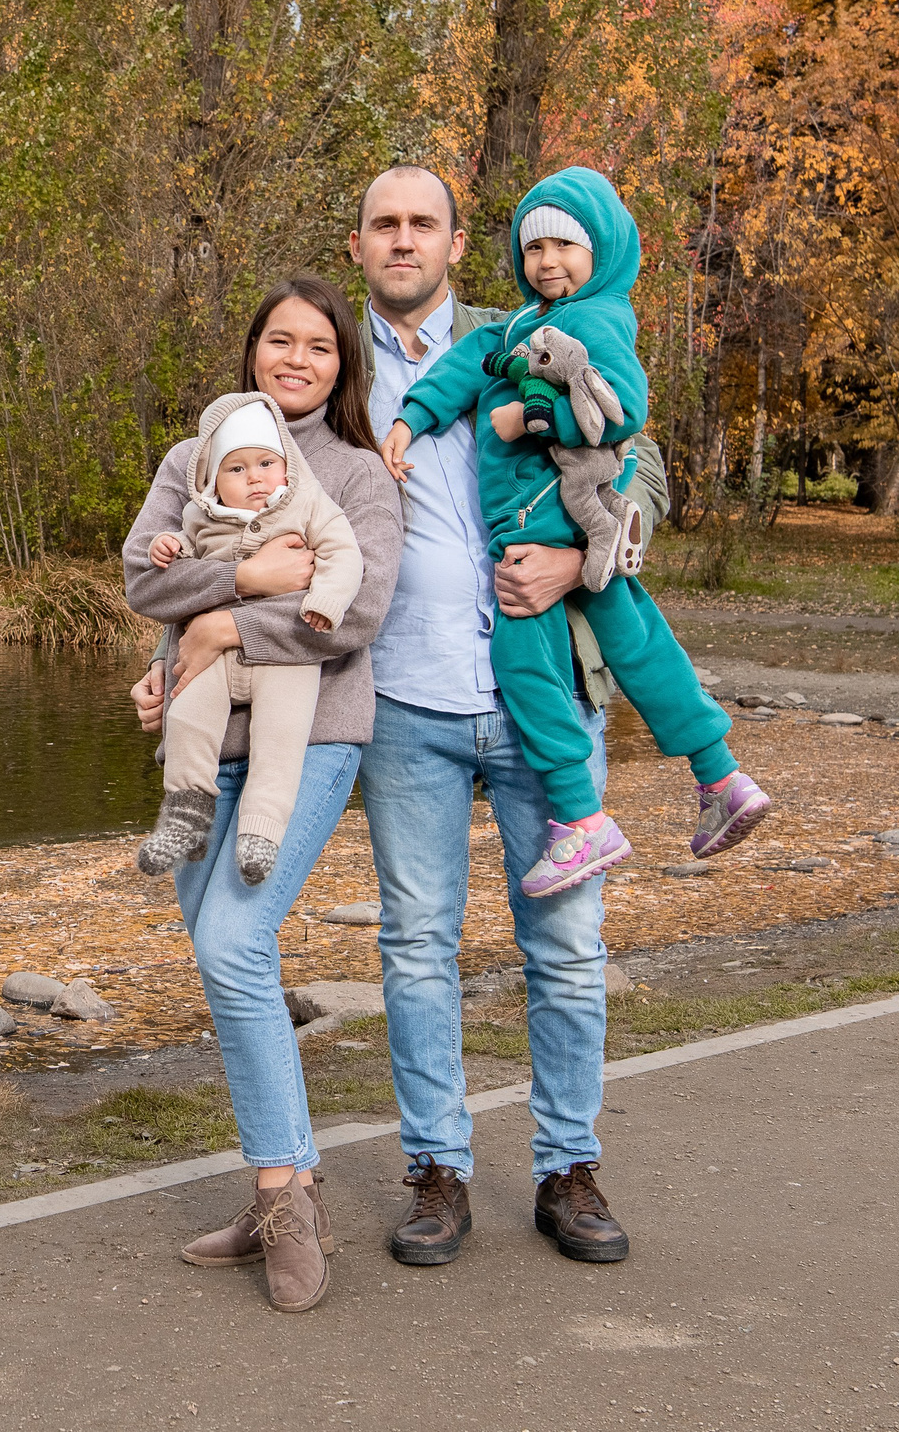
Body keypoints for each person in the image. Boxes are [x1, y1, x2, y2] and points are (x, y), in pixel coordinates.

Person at [133, 166, 671, 1271]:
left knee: (568, 943)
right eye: (384, 224)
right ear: (359, 242)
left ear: (457, 243)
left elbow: (641, 461)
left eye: (424, 223)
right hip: (406, 705)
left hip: (543, 687)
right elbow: (239, 516)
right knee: (417, 944)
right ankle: (437, 1171)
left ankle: (568, 1168)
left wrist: (585, 558)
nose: (403, 240)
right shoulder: (330, 374)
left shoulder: (527, 331)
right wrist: (171, 653)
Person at [122, 275, 402, 1314]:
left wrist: (215, 628)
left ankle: (286, 1200)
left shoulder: (358, 474)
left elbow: (355, 613)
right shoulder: (191, 457)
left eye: (319, 346)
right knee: (222, 953)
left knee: (235, 945)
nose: (297, 359)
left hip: (311, 739)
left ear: (342, 365)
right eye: (280, 341)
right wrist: (242, 584)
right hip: (204, 744)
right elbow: (142, 578)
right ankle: (286, 1181)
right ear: (252, 352)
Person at [380, 168, 770, 896]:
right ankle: (720, 774)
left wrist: (527, 422)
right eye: (534, 248)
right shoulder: (517, 324)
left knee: (524, 662)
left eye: (564, 245)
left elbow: (625, 414)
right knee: (640, 641)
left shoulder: (591, 319)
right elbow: (466, 366)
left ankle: (583, 820)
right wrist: (410, 419)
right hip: (525, 557)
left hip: (542, 520)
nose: (547, 261)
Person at [139, 390, 364, 882]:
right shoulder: (201, 515)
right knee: (187, 719)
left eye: (266, 463)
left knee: (280, 738)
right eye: (236, 469)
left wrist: (326, 601)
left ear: (286, 465)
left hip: (286, 653)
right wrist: (168, 545)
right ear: (213, 480)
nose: (255, 478)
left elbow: (344, 555)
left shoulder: (309, 505)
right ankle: (185, 815)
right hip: (211, 655)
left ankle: (261, 832)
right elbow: (172, 571)